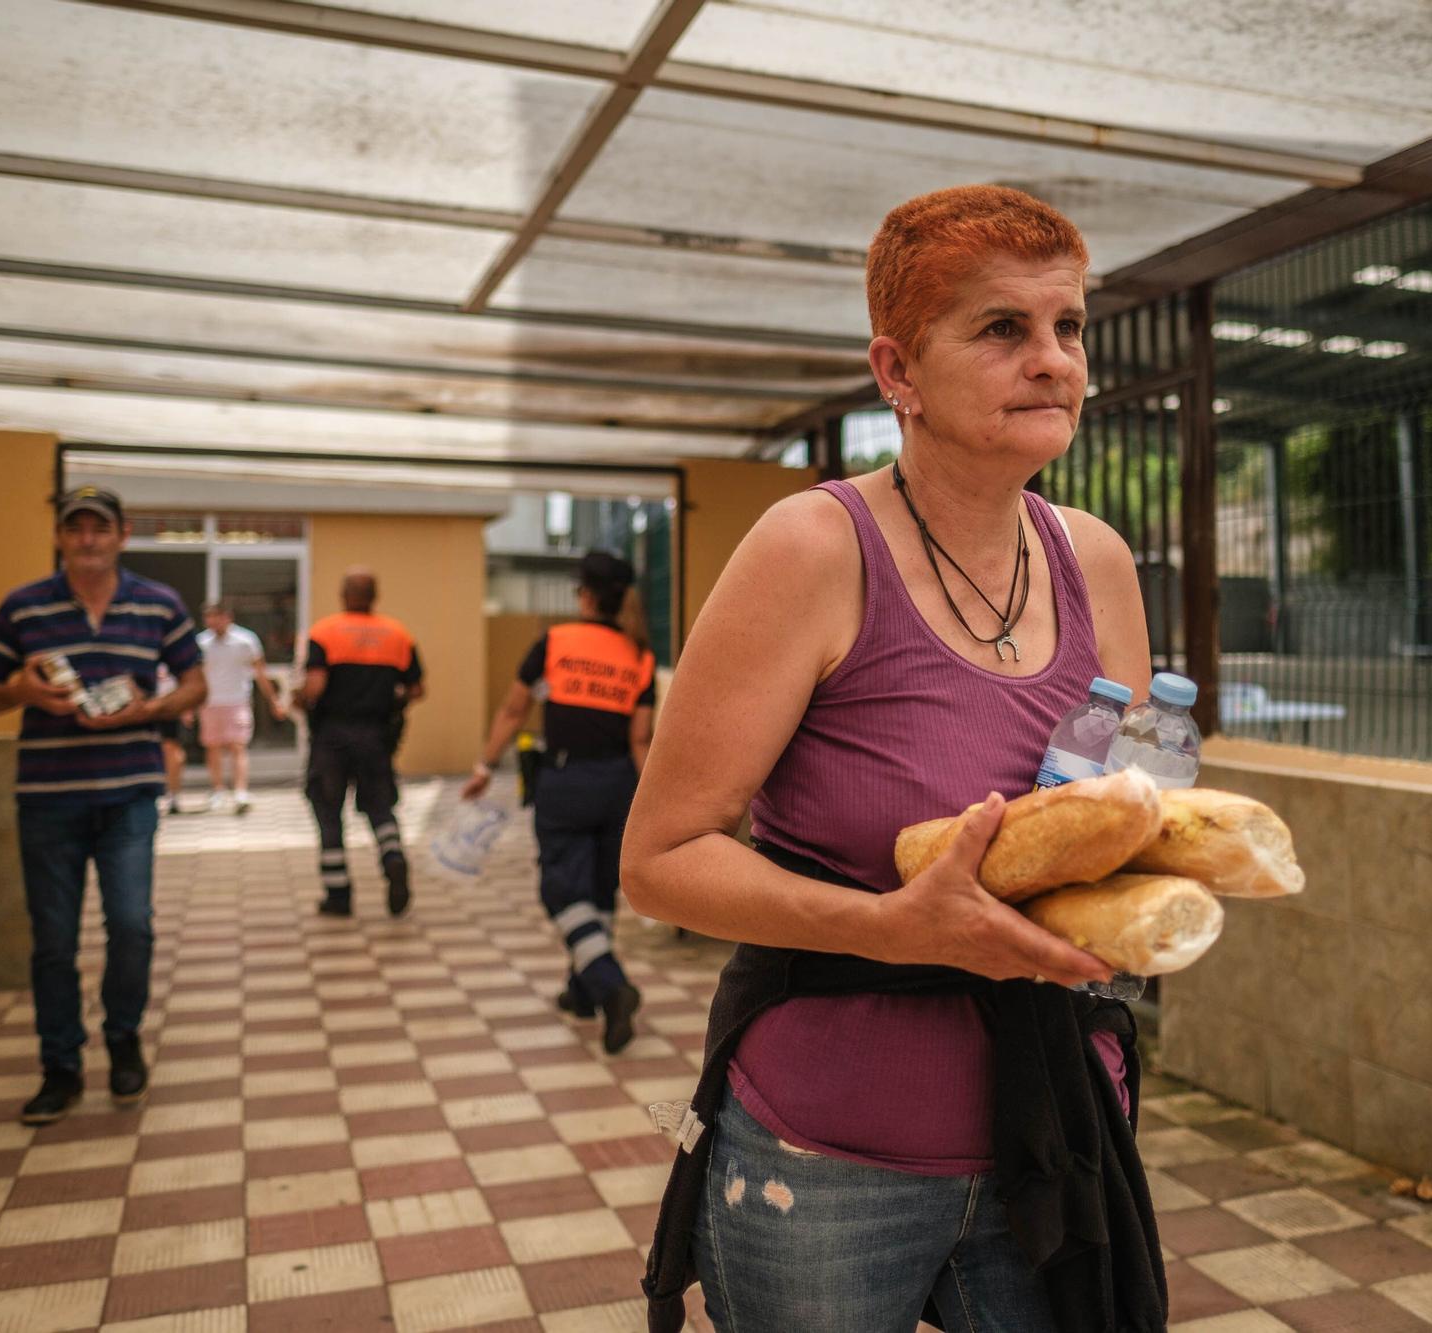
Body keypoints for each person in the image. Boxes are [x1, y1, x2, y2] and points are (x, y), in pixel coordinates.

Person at [623, 187, 1166, 1332]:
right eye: (1000, 329)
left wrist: (1154, 877)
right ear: (896, 371)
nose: (1051, 360)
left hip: (1056, 1124)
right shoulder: (813, 546)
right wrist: (891, 926)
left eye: (1067, 327)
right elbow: (661, 858)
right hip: (828, 1156)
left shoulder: (1097, 560)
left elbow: (1113, 815)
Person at [0, 485, 207, 1125]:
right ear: (60, 538)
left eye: (100, 528)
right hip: (48, 799)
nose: (88, 539)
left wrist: (148, 709)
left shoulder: (158, 605)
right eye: (77, 529)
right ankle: (61, 1066)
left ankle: (123, 1037)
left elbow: (195, 684)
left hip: (130, 794)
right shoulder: (24, 608)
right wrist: (20, 689)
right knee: (52, 941)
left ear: (122, 534)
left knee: (132, 925)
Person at [463, 550, 654, 1054]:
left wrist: (485, 765)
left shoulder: (554, 643)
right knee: (597, 888)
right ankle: (582, 991)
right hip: (618, 784)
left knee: (560, 890)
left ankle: (611, 987)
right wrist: (650, 802)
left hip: (566, 780)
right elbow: (641, 740)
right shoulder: (640, 655)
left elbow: (513, 708)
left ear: (586, 596)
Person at [299, 568, 423, 917]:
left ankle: (338, 895)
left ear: (343, 595)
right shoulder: (397, 634)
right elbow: (416, 689)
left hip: (332, 738)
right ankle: (393, 856)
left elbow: (315, 687)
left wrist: (299, 699)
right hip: (375, 736)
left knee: (328, 812)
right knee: (380, 806)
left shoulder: (324, 632)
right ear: (374, 596)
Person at [194, 600, 287, 813]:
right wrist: (189, 706)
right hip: (209, 702)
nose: (212, 621)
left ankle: (240, 792)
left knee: (238, 745)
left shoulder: (246, 640)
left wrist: (273, 701)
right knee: (213, 747)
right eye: (208, 617)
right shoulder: (200, 643)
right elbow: (195, 677)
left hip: (237, 701)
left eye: (216, 616)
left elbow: (260, 673)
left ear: (227, 617)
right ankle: (217, 790)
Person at [156, 663, 186, 815]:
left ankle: (173, 794)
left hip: (170, 708)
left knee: (172, 751)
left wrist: (187, 707)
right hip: (142, 707)